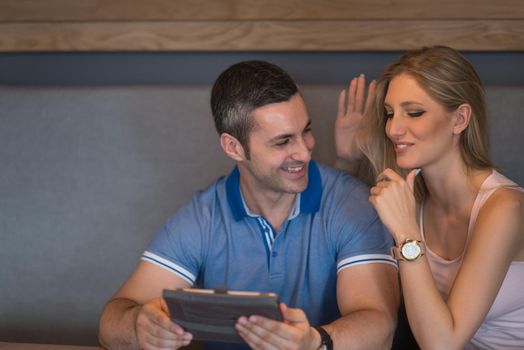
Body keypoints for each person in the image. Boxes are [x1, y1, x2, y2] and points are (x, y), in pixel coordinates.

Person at [98, 60, 399, 350]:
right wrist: (139, 325)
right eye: (282, 142)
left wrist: (314, 341)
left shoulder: (352, 202)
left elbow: (379, 326)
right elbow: (112, 321)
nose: (305, 153)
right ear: (234, 147)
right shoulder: (204, 215)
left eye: (305, 131)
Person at [335, 46, 524, 349]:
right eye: (389, 114)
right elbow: (340, 233)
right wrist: (348, 161)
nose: (394, 128)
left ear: (460, 119)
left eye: (415, 113)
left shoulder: (504, 207)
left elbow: (442, 344)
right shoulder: (416, 201)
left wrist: (407, 234)